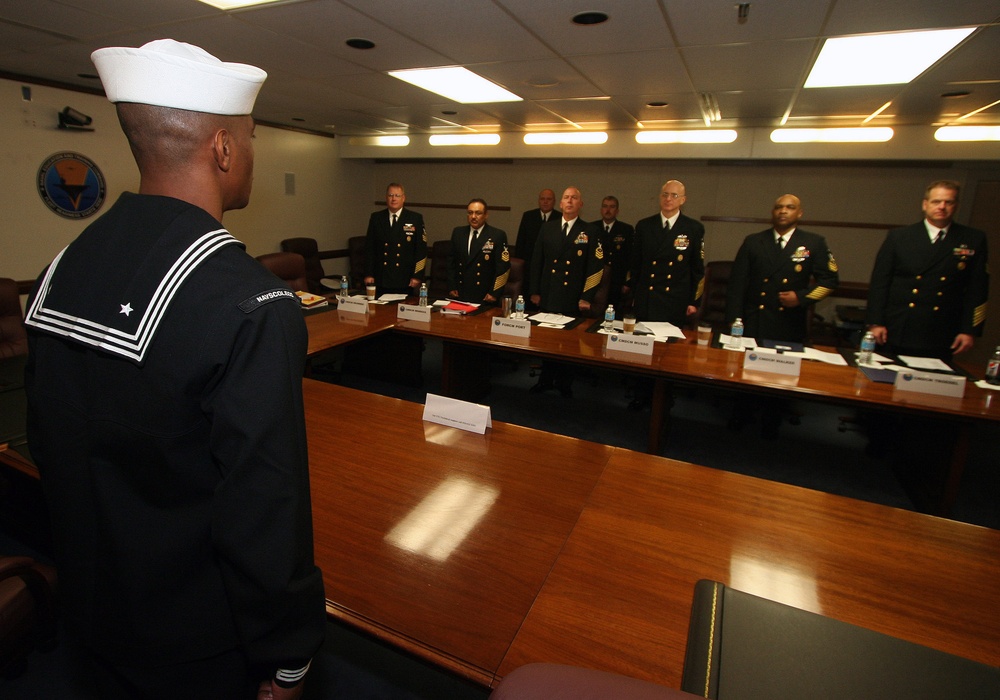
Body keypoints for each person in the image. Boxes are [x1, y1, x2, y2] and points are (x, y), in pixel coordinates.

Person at [22, 39, 325, 699]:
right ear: (222, 148)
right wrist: (288, 655)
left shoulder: (60, 269)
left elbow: (47, 437)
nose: (251, 154)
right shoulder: (251, 302)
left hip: (93, 607)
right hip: (196, 641)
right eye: (248, 138)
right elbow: (262, 511)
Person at [866, 180, 988, 359]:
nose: (942, 207)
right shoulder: (900, 236)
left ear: (957, 206)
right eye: (936, 202)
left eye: (948, 202)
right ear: (925, 204)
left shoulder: (973, 238)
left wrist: (970, 330)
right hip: (899, 324)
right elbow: (879, 283)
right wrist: (875, 322)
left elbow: (978, 289)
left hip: (942, 328)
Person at [726, 194, 839, 344]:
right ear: (772, 212)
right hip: (754, 321)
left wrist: (801, 297)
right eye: (779, 207)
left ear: (799, 213)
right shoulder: (754, 241)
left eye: (790, 207)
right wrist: (734, 318)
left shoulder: (813, 243)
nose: (783, 211)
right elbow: (737, 283)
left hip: (789, 322)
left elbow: (830, 281)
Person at [529, 187, 604, 396]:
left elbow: (595, 267)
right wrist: (534, 291)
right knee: (547, 340)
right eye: (566, 198)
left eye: (574, 198)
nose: (570, 201)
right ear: (560, 204)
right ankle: (545, 380)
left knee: (569, 343)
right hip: (549, 293)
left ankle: (564, 383)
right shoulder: (548, 228)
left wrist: (587, 297)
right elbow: (537, 261)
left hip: (573, 296)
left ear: (581, 204)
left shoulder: (589, 231)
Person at [628, 180, 705, 327]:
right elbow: (635, 264)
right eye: (665, 194)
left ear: (683, 200)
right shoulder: (644, 226)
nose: (668, 199)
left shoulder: (693, 228)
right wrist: (634, 294)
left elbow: (697, 269)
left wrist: (694, 301)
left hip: (675, 299)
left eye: (674, 195)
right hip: (647, 298)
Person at [364, 183, 428, 295]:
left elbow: (421, 251)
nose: (393, 199)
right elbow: (369, 248)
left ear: (403, 198)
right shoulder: (376, 218)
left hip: (405, 279)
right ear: (386, 198)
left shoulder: (415, 218)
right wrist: (369, 273)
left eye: (397, 195)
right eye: (390, 195)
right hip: (381, 278)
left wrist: (417, 275)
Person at [448, 198, 510, 303]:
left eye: (478, 213)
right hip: (460, 292)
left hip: (485, 295)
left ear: (486, 215)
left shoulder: (497, 235)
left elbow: (503, 268)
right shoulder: (458, 233)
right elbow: (451, 262)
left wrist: (494, 293)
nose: (473, 217)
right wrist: (452, 286)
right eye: (470, 213)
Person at [515, 188, 557, 301]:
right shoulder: (528, 216)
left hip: (551, 269)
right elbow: (520, 243)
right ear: (538, 201)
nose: (545, 202)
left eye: (549, 199)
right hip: (529, 268)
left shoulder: (560, 218)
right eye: (542, 199)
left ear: (554, 201)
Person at [597, 195, 634, 308]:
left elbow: (631, 258)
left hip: (617, 279)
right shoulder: (592, 228)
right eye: (605, 206)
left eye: (612, 207)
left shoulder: (626, 229)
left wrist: (627, 282)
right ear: (601, 210)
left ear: (617, 211)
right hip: (597, 279)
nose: (608, 210)